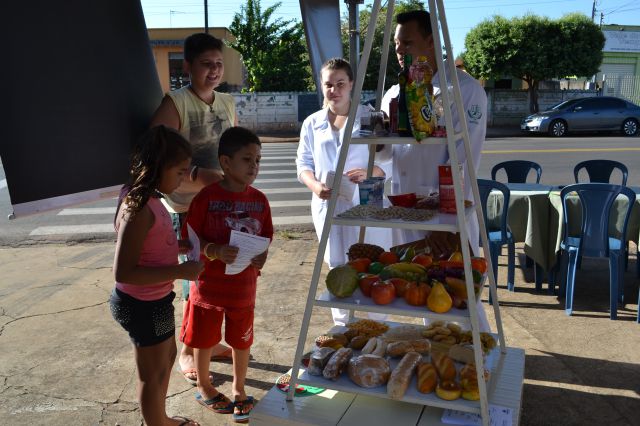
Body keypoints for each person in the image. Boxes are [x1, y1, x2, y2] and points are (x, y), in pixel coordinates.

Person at [378, 10, 489, 330]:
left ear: (431, 41)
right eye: (397, 45)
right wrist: (378, 142)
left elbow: (463, 160)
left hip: (445, 214)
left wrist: (446, 223)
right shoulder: (395, 93)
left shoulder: (464, 90)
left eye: (407, 43)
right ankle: (438, 353)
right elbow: (389, 156)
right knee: (422, 295)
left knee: (460, 299)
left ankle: (478, 354)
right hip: (405, 211)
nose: (400, 51)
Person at [150, 32, 237, 381]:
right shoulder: (176, 103)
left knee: (216, 280)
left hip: (220, 205)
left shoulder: (227, 102)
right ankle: (188, 351)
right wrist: (199, 175)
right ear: (187, 66)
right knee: (195, 281)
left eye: (218, 64)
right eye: (205, 64)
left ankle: (208, 342)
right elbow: (156, 154)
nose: (213, 71)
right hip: (186, 206)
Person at [110, 125, 204, 426]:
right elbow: (124, 271)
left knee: (167, 358)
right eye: (179, 172)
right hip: (141, 306)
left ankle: (161, 418)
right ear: (157, 167)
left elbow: (147, 246)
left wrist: (177, 245)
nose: (182, 179)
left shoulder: (150, 198)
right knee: (152, 374)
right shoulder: (138, 208)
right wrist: (179, 270)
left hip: (157, 302)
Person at [180, 127, 273, 423]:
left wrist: (261, 256)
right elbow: (189, 239)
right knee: (204, 340)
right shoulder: (206, 198)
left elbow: (266, 237)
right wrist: (214, 250)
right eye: (247, 159)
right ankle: (205, 386)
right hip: (208, 288)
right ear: (226, 162)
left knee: (242, 342)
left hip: (243, 288)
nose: (254, 166)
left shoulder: (260, 201)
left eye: (257, 160)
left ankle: (239, 388)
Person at [296, 58, 388, 326]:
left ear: (351, 84)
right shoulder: (312, 123)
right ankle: (342, 328)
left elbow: (389, 158)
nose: (334, 90)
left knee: (372, 265)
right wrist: (315, 186)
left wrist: (371, 172)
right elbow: (303, 163)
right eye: (328, 84)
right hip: (328, 204)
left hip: (365, 201)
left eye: (340, 84)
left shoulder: (370, 117)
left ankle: (377, 325)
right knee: (337, 267)